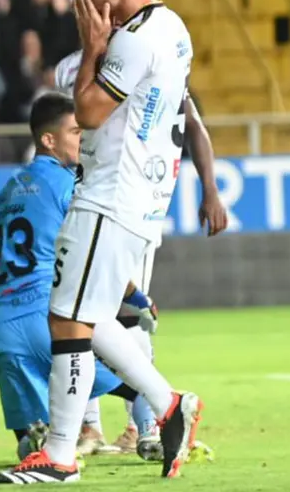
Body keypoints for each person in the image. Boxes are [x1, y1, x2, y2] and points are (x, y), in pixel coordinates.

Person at [0, 0, 203, 485]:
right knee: (93, 315)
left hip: (109, 196)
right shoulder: (171, 27)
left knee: (68, 320)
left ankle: (59, 454)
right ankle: (169, 403)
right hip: (137, 196)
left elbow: (85, 113)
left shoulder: (130, 41)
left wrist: (90, 46)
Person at [53, 48, 227, 460]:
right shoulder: (69, 69)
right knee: (79, 314)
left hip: (128, 205)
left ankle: (146, 425)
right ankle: (93, 426)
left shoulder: (150, 54)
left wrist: (211, 189)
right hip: (88, 200)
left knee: (124, 315)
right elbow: (64, 129)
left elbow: (192, 124)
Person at [0, 94, 161, 461]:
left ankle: (39, 442)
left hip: (3, 322)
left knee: (29, 434)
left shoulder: (3, 193)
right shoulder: (69, 185)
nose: (83, 140)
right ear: (48, 140)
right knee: (138, 381)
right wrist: (138, 297)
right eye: (75, 132)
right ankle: (154, 435)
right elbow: (96, 252)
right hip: (44, 314)